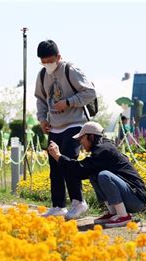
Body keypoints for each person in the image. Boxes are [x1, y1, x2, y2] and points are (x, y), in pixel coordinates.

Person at [34, 39, 96, 219]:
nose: (47, 64)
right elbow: (40, 98)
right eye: (43, 61)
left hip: (74, 123)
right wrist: (41, 118)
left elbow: (89, 92)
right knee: (55, 167)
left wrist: (69, 102)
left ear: (59, 57)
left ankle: (78, 201)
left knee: (68, 160)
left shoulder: (71, 70)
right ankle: (58, 205)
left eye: (50, 61)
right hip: (55, 126)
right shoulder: (42, 75)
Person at [47, 122, 146, 227]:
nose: (80, 142)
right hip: (131, 196)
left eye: (82, 138)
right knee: (94, 174)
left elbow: (79, 169)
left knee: (104, 175)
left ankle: (123, 216)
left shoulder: (103, 150)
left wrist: (59, 156)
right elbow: (82, 171)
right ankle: (113, 212)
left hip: (136, 199)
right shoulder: (103, 147)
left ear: (91, 136)